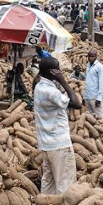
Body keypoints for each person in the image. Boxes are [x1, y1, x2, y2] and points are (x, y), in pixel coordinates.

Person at [33, 56, 82, 195]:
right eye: (57, 69)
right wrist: (63, 81)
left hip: (47, 144)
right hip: (59, 144)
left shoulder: (39, 87)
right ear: (51, 71)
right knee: (65, 184)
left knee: (49, 184)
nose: (60, 71)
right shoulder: (50, 92)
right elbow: (77, 103)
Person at [83, 49, 103, 122]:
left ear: (96, 57)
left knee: (99, 118)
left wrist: (99, 98)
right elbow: (87, 82)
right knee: (90, 118)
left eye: (92, 56)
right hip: (88, 96)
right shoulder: (88, 66)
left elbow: (102, 83)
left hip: (95, 97)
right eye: (89, 56)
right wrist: (84, 96)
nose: (90, 58)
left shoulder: (100, 67)